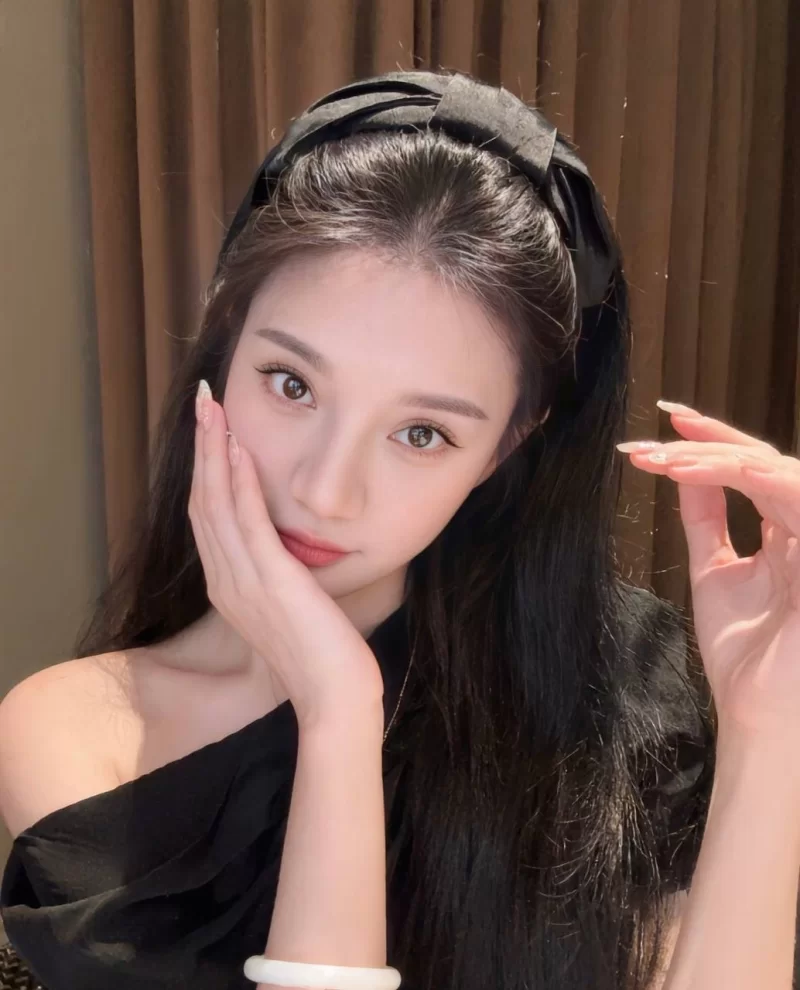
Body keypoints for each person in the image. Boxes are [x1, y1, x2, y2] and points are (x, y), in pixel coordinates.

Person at [0, 67, 795, 990]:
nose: (325, 492)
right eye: (291, 384)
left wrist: (769, 728)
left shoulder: (614, 687)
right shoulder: (82, 732)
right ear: (225, 341)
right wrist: (336, 714)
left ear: (503, 451)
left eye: (422, 434)